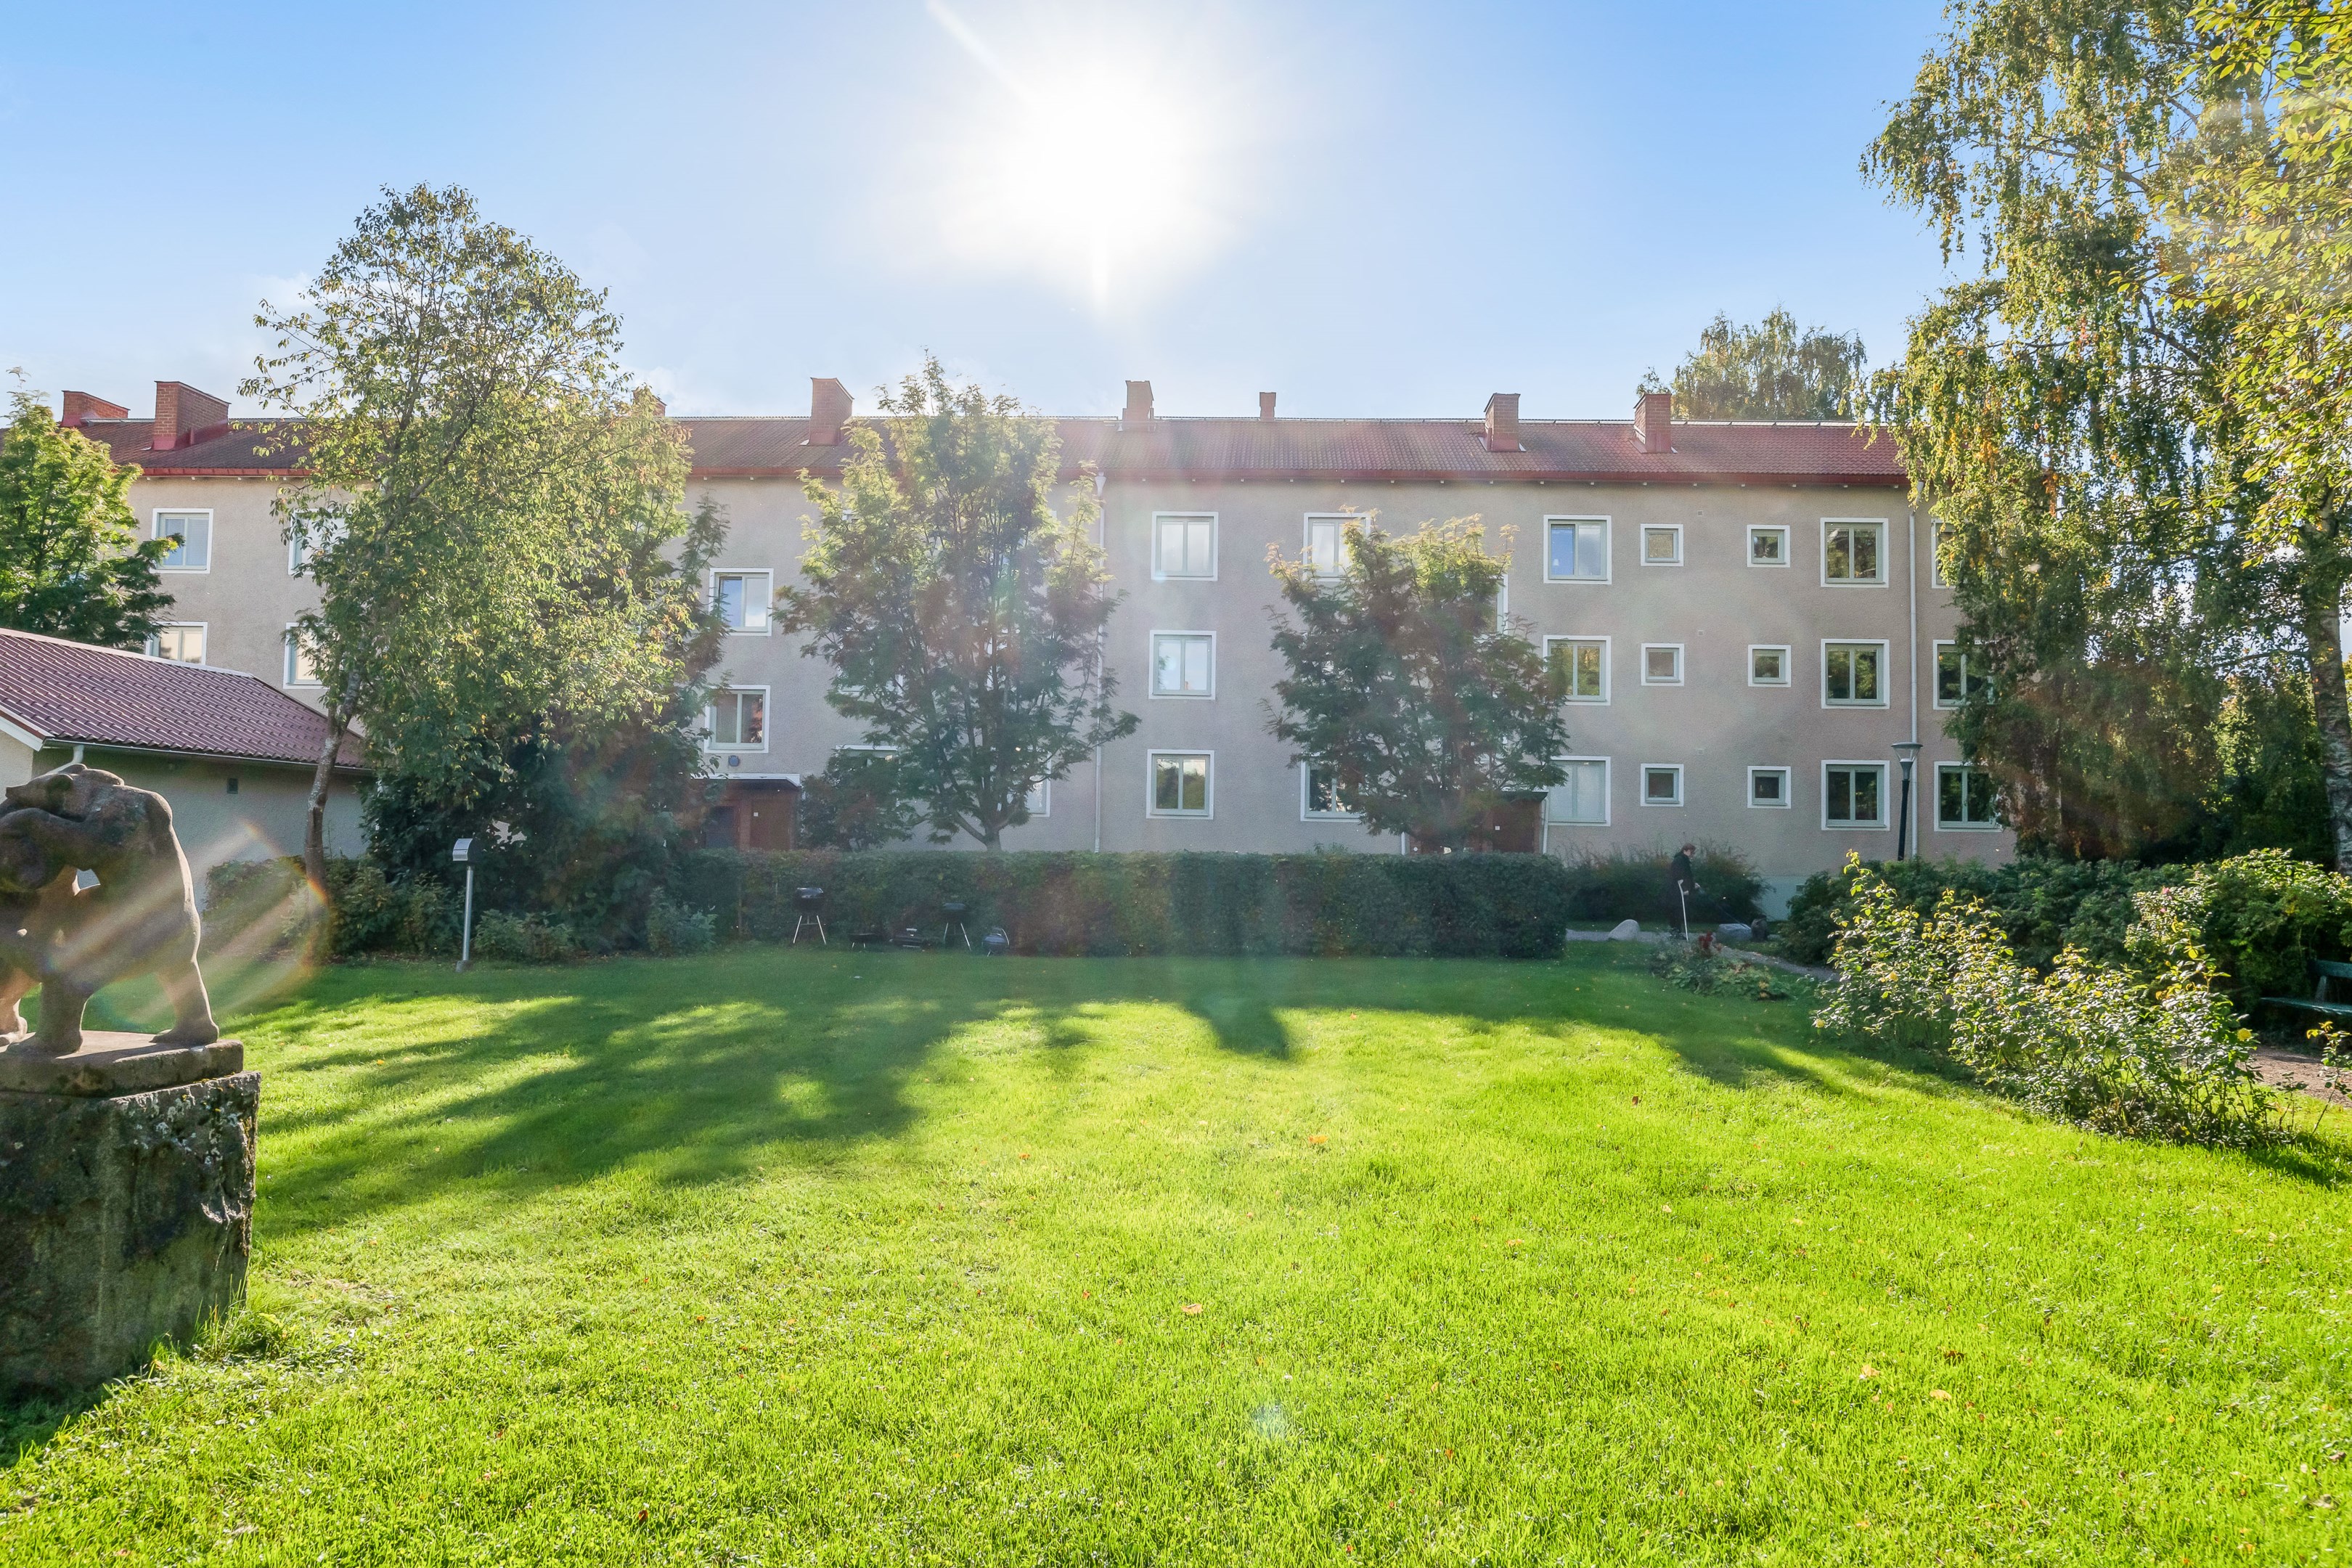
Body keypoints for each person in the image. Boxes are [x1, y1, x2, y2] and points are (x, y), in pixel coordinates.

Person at [1669, 843, 1702, 937]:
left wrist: (1692, 884)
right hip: (1677, 889)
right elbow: (1680, 875)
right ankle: (1676, 932)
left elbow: (1687, 875)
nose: (1692, 854)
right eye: (1691, 852)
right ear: (1685, 850)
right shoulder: (1680, 860)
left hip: (1680, 888)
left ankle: (1676, 931)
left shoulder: (1683, 860)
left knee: (1679, 911)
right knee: (1678, 910)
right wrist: (1684, 888)